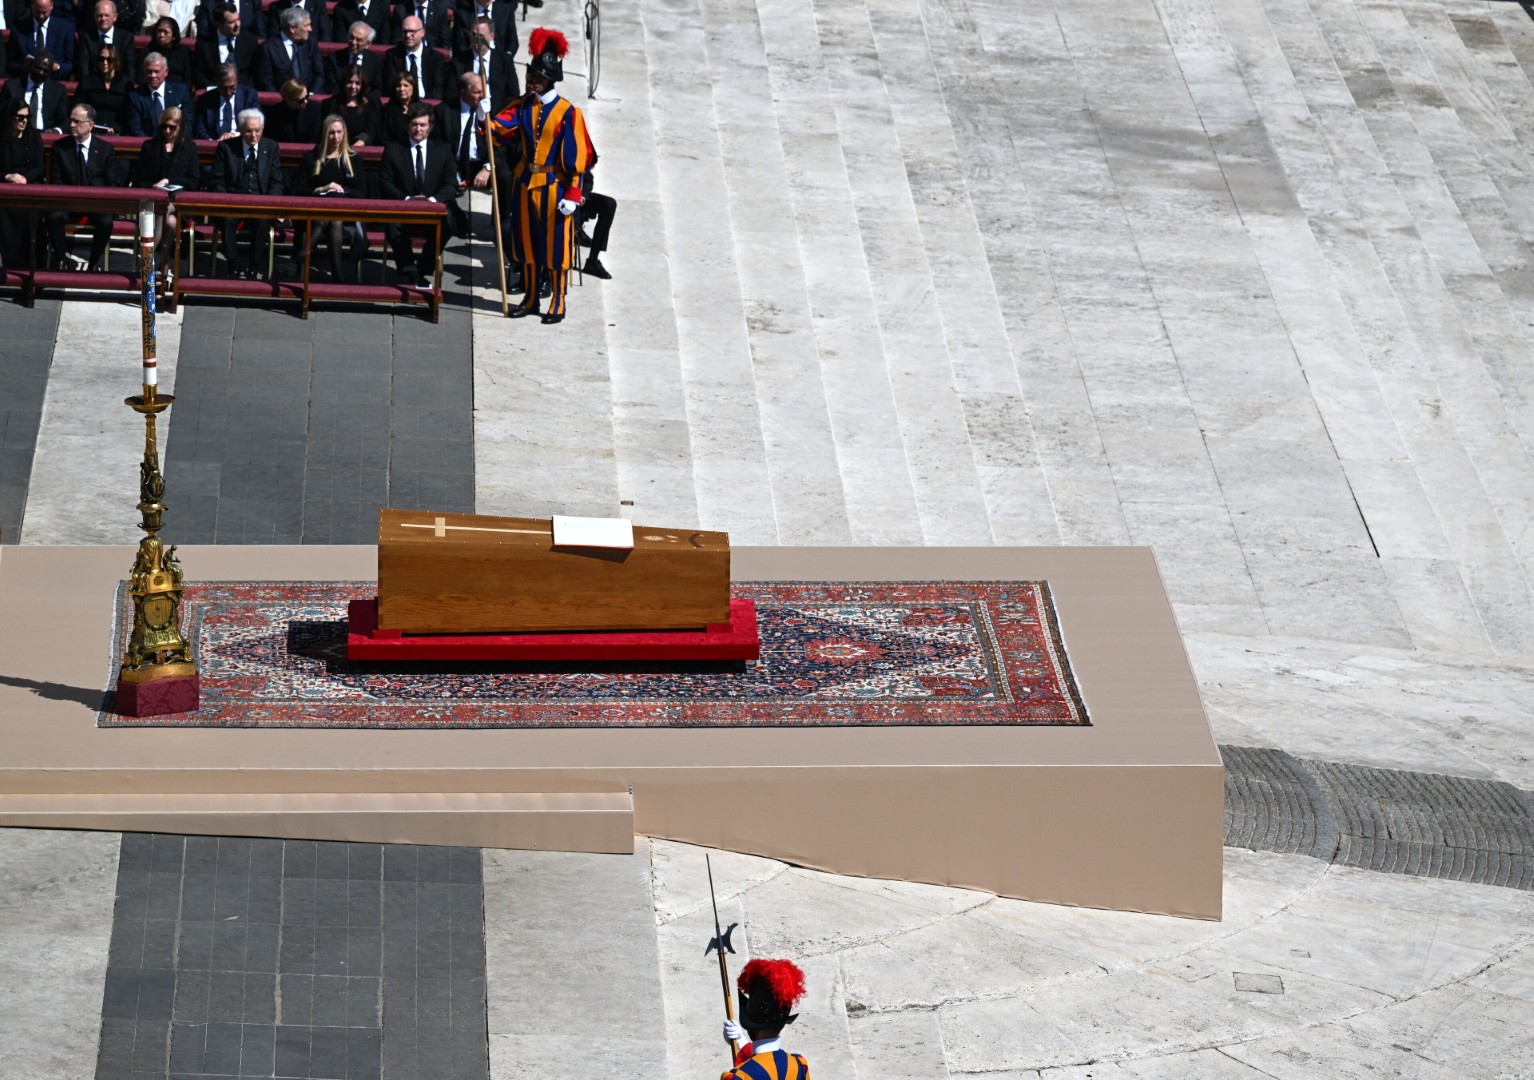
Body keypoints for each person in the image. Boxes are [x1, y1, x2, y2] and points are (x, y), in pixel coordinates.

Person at [489, 27, 593, 324]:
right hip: (524, 183)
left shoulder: (568, 113)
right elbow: (499, 131)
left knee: (555, 247)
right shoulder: (522, 105)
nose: (531, 81)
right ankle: (531, 297)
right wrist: (485, 117)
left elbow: (578, 161)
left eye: (536, 77)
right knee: (528, 243)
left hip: (555, 187)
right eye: (530, 76)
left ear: (550, 80)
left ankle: (558, 300)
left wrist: (574, 195)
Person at [379, 101, 455, 286]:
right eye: (414, 124)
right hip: (403, 207)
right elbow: (384, 181)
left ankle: (422, 268)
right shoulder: (394, 149)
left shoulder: (442, 149)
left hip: (433, 208)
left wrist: (432, 200)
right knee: (393, 226)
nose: (418, 129)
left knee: (449, 223)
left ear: (430, 127)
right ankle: (410, 272)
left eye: (423, 125)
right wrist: (406, 199)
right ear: (407, 125)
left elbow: (451, 183)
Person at [46, 102, 121, 269]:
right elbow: (56, 180)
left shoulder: (105, 148)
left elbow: (112, 182)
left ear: (90, 125)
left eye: (77, 122)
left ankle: (93, 262)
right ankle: (61, 260)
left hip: (96, 201)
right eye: (71, 121)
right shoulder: (60, 147)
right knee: (53, 217)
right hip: (67, 199)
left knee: (106, 222)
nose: (71, 125)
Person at [211, 107, 284, 278]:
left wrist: (268, 203)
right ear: (241, 130)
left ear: (262, 129)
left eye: (257, 130)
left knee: (263, 220)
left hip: (261, 203)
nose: (253, 135)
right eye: (249, 130)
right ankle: (233, 264)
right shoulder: (226, 148)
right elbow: (216, 180)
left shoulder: (271, 147)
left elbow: (277, 181)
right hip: (232, 202)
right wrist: (227, 201)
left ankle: (254, 265)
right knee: (227, 219)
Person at [133, 103, 197, 280]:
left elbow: (194, 180)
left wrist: (170, 181)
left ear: (181, 127)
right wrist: (154, 186)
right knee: (169, 222)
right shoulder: (149, 147)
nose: (168, 131)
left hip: (177, 201)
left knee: (166, 208)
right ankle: (164, 260)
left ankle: (148, 257)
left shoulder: (189, 148)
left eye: (172, 127)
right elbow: (139, 179)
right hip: (150, 199)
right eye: (165, 126)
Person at [299, 115, 367, 281]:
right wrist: (321, 189)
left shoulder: (353, 159)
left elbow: (362, 193)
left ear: (344, 134)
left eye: (339, 132)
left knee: (334, 219)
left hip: (346, 213)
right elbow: (299, 189)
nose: (336, 137)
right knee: (330, 219)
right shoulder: (311, 158)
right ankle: (337, 272)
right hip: (315, 212)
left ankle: (307, 251)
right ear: (324, 134)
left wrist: (342, 189)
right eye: (331, 133)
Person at [719, 959, 810, 1080]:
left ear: (750, 1025)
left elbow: (758, 1068)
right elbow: (768, 1065)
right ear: (782, 1024)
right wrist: (741, 1041)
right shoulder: (799, 1065)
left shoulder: (738, 1076)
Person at [0, 97, 47, 267]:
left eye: (27, 117)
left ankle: (32, 264)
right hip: (5, 186)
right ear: (10, 117)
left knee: (31, 214)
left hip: (29, 184)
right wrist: (8, 176)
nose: (24, 121)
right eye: (20, 117)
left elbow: (40, 167)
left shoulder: (33, 136)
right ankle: (8, 261)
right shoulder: (2, 137)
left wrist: (25, 178)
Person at [255, 7, 324, 92]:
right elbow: (266, 82)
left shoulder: (311, 45)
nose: (310, 29)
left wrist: (311, 96)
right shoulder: (268, 49)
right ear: (292, 28)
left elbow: (319, 74)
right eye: (306, 25)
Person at [123, 50, 192, 136]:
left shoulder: (181, 92)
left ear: (166, 72)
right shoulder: (135, 96)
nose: (153, 76)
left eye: (156, 71)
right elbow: (135, 128)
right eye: (149, 71)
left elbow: (188, 123)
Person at [455, 14, 516, 111]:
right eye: (474, 35)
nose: (476, 40)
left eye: (481, 36)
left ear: (492, 36)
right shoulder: (460, 61)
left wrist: (494, 111)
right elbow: (452, 92)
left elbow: (513, 94)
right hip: (468, 111)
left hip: (496, 114)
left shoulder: (504, 61)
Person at [192, 1, 258, 86]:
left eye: (238, 19)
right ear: (219, 24)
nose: (237, 25)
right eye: (231, 22)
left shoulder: (250, 41)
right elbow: (199, 76)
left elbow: (255, 74)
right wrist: (219, 90)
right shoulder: (205, 45)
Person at [1, 50, 70, 132]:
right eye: (39, 68)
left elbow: (64, 121)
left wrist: (55, 131)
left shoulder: (58, 90)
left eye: (45, 70)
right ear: (31, 65)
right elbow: (2, 115)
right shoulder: (11, 86)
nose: (41, 72)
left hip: (45, 135)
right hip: (17, 134)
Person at [381, 14, 445, 101]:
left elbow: (438, 88)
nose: (408, 35)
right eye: (405, 31)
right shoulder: (392, 55)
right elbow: (391, 85)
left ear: (422, 32)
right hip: (401, 102)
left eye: (412, 31)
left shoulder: (435, 58)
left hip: (427, 104)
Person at [6, 0, 76, 79]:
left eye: (44, 12)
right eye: (37, 11)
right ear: (32, 5)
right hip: (26, 81)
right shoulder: (18, 30)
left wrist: (57, 67)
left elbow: (70, 64)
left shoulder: (65, 29)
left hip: (54, 83)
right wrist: (24, 67)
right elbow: (10, 64)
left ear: (51, 6)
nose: (41, 16)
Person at [192, 61, 257, 141]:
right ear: (216, 82)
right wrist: (213, 142)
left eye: (232, 87)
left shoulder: (249, 96)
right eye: (224, 88)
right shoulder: (205, 99)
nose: (228, 92)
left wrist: (237, 136)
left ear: (237, 81)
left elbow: (256, 126)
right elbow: (199, 130)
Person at [74, 42, 130, 132]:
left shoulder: (125, 84)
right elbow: (78, 106)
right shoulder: (87, 81)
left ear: (116, 61)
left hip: (118, 132)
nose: (105, 63)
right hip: (91, 130)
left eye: (109, 59)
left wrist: (116, 128)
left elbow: (128, 112)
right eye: (101, 59)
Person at [76, 0, 134, 80]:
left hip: (119, 87)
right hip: (93, 86)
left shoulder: (126, 38)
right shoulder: (86, 37)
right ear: (94, 17)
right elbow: (83, 68)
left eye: (107, 15)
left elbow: (130, 69)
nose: (103, 18)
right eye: (100, 15)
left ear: (115, 17)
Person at [327, 19, 384, 91]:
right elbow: (331, 86)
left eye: (359, 40)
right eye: (351, 38)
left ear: (368, 44)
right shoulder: (334, 58)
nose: (353, 42)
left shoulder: (375, 61)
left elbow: (377, 88)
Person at [333, 68, 380, 147]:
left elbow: (370, 131)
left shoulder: (370, 105)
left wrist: (354, 148)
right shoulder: (333, 103)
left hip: (360, 150)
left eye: (357, 83)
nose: (353, 86)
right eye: (349, 82)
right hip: (337, 147)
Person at [267, 77, 322, 145]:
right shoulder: (274, 113)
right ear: (288, 100)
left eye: (307, 96)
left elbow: (315, 137)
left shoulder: (314, 109)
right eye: (301, 100)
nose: (305, 101)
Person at [147, 16, 192, 87]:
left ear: (173, 35)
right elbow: (142, 78)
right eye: (159, 31)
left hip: (178, 92)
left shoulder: (183, 51)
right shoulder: (148, 51)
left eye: (166, 32)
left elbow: (187, 78)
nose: (161, 35)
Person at [378, 68, 417, 147]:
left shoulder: (422, 110)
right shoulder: (387, 110)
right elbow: (384, 137)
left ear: (413, 88)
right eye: (398, 86)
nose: (401, 89)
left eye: (406, 85)